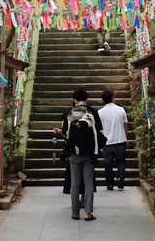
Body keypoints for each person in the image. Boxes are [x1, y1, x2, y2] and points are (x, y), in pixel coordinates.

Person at [53, 87, 104, 220]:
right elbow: (99, 131)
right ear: (86, 99)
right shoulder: (93, 112)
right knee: (88, 183)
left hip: (73, 153)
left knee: (75, 183)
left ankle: (75, 213)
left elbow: (66, 133)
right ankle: (88, 213)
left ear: (74, 100)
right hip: (90, 153)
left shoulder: (69, 113)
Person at [97, 88, 128, 190]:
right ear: (113, 98)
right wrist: (126, 138)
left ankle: (110, 183)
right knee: (121, 161)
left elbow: (98, 128)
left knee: (108, 164)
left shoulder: (100, 112)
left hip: (107, 142)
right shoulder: (121, 110)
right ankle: (120, 178)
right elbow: (125, 126)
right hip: (120, 140)